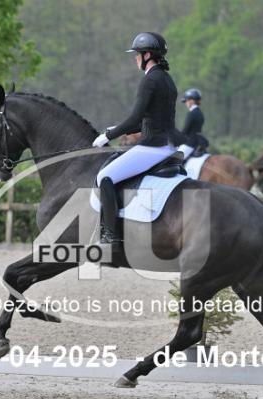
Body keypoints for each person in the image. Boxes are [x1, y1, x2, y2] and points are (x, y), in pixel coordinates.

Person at [92, 32, 180, 248]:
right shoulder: (167, 80)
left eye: (137, 54)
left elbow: (134, 119)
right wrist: (116, 128)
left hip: (152, 147)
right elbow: (149, 121)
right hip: (168, 145)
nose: (135, 58)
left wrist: (107, 136)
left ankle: (110, 236)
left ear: (147, 55)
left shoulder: (149, 80)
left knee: (105, 176)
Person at [177, 88, 206, 159]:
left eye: (186, 101)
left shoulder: (192, 113)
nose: (186, 103)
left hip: (190, 143)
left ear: (192, 101)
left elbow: (185, 130)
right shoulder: (200, 113)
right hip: (198, 142)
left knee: (174, 161)